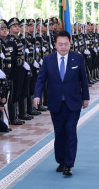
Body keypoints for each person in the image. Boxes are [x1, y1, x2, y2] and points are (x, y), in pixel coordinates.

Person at [34, 30, 90, 176]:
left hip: (73, 103)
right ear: (55, 45)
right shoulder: (48, 59)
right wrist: (37, 96)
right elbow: (41, 79)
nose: (63, 47)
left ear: (70, 44)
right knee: (59, 134)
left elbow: (83, 79)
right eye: (60, 44)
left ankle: (69, 164)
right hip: (56, 103)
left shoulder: (77, 58)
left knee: (71, 132)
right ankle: (61, 161)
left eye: (66, 44)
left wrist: (86, 97)